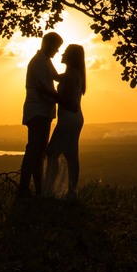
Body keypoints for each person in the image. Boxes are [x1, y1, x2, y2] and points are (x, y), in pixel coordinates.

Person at [17, 32, 63, 197]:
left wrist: (73, 73)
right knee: (34, 150)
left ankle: (38, 189)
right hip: (38, 111)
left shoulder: (45, 60)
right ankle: (24, 187)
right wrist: (63, 100)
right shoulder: (38, 62)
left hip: (43, 111)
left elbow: (56, 77)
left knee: (39, 151)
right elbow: (44, 89)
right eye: (56, 47)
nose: (57, 51)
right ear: (48, 44)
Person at [44, 43, 86, 200]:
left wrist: (48, 93)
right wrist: (46, 58)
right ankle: (71, 191)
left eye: (65, 53)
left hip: (69, 118)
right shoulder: (74, 73)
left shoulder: (71, 75)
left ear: (71, 57)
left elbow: (68, 102)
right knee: (70, 154)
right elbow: (56, 77)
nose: (61, 55)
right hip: (73, 119)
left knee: (53, 152)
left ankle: (51, 189)